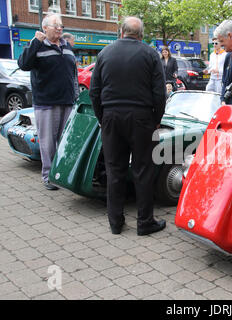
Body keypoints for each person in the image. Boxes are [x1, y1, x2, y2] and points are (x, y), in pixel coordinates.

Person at [89, 16, 167, 236]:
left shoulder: (104, 54)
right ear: (141, 35)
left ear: (121, 32)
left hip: (111, 117)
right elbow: (160, 93)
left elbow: (94, 91)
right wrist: (157, 119)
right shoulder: (150, 54)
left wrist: (102, 117)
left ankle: (115, 222)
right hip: (142, 119)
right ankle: (145, 222)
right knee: (143, 170)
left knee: (115, 171)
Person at [18, 13, 77, 191]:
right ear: (45, 28)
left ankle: (62, 174)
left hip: (67, 101)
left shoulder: (67, 47)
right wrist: (35, 42)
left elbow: (72, 74)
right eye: (55, 25)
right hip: (47, 102)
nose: (60, 28)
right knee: (48, 142)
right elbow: (24, 64)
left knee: (65, 141)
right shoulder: (37, 46)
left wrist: (75, 96)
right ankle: (49, 176)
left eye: (61, 26)